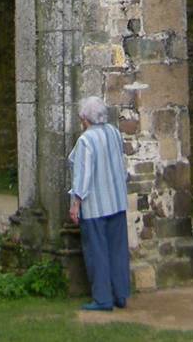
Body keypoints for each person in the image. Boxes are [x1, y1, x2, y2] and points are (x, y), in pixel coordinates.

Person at [68, 95, 131, 312]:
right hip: (116, 200)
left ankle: (103, 299)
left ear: (85, 118)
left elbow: (83, 174)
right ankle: (120, 294)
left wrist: (76, 202)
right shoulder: (114, 132)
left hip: (96, 205)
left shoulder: (86, 140)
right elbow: (122, 165)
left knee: (98, 252)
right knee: (118, 250)